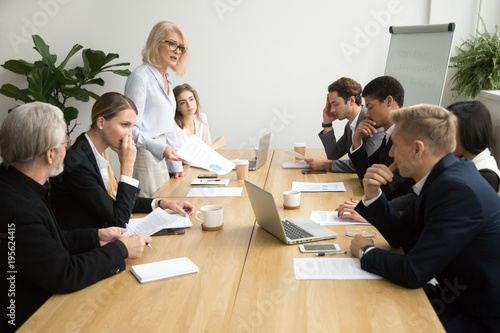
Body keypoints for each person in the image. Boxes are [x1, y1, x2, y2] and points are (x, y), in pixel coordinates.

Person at [0, 102, 152, 332]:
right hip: (27, 319)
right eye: (65, 142)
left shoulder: (17, 183)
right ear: (51, 154)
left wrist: (96, 236)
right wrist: (121, 250)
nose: (68, 148)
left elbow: (46, 243)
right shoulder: (16, 206)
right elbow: (64, 274)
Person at [350, 104, 500, 332]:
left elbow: (414, 272)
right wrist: (373, 194)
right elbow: (400, 234)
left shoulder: (457, 189)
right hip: (455, 296)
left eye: (396, 146)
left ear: (418, 149)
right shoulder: (445, 175)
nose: (391, 153)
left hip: (478, 316)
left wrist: (366, 251)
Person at [50, 92, 195, 230]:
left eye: (132, 126)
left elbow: (116, 200)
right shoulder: (79, 163)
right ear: (101, 122)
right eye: (124, 125)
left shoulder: (94, 151)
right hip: (83, 247)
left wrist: (163, 203)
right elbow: (119, 219)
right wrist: (127, 166)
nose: (129, 134)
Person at [125, 21, 190, 197]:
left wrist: (176, 166)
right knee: (151, 212)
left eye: (181, 47)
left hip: (163, 154)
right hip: (145, 155)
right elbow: (129, 128)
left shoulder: (166, 79)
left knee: (168, 208)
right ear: (156, 43)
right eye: (172, 44)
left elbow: (168, 127)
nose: (177, 51)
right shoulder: (140, 78)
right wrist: (160, 149)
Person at [348, 75, 414, 202]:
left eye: (370, 107)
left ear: (389, 101)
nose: (367, 114)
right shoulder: (388, 135)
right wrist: (357, 141)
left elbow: (384, 188)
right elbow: (365, 173)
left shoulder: (407, 138)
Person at [305, 77, 384, 172]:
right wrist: (327, 123)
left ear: (351, 100)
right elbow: (333, 155)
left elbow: (365, 163)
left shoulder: (374, 123)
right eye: (331, 105)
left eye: (335, 104)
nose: (332, 110)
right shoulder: (350, 126)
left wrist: (327, 164)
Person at [448, 100, 500, 193]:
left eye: (450, 130)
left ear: (469, 133)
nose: (445, 136)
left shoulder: (486, 176)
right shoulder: (458, 160)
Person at [173, 83, 226, 150]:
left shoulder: (202, 118)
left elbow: (207, 147)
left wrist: (210, 148)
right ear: (177, 107)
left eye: (191, 99)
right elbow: (186, 158)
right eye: (183, 103)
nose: (189, 105)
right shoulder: (174, 127)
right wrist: (214, 145)